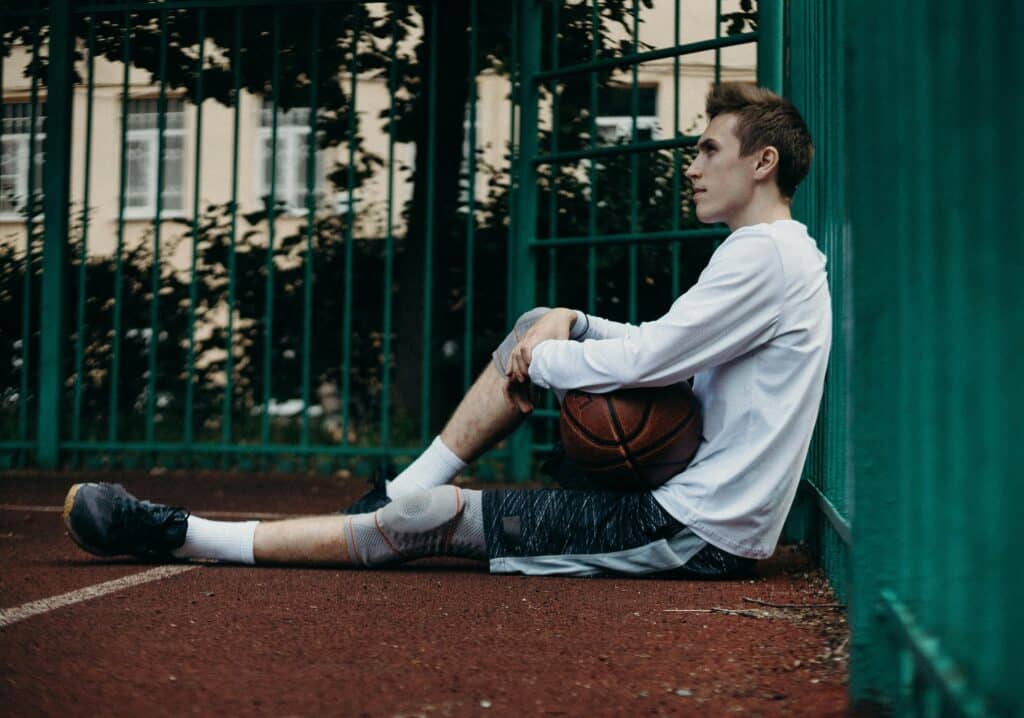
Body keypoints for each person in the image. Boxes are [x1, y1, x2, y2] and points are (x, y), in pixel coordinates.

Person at [64, 83, 830, 579]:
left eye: (707, 150)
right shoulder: (772, 254)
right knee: (538, 324)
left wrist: (550, 357)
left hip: (693, 530)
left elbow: (658, 358)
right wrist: (569, 325)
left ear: (762, 162)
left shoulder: (763, 256)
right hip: (693, 508)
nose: (690, 165)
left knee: (423, 522)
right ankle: (397, 488)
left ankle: (181, 533)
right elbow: (674, 354)